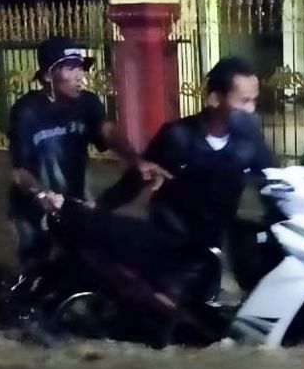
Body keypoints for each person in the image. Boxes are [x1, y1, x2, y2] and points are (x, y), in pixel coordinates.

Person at [7, 36, 171, 317]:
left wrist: (136, 160)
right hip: (34, 204)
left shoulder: (88, 104)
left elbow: (107, 131)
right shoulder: (27, 111)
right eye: (70, 68)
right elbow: (19, 171)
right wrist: (41, 195)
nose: (80, 75)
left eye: (81, 67)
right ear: (48, 75)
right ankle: (20, 313)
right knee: (36, 268)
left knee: (86, 258)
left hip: (75, 201)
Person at [97, 56, 278, 305]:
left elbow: (273, 182)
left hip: (213, 246)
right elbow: (135, 180)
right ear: (215, 98)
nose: (251, 110)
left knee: (207, 315)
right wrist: (98, 209)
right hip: (173, 244)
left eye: (254, 100)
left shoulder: (250, 141)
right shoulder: (177, 136)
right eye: (244, 101)